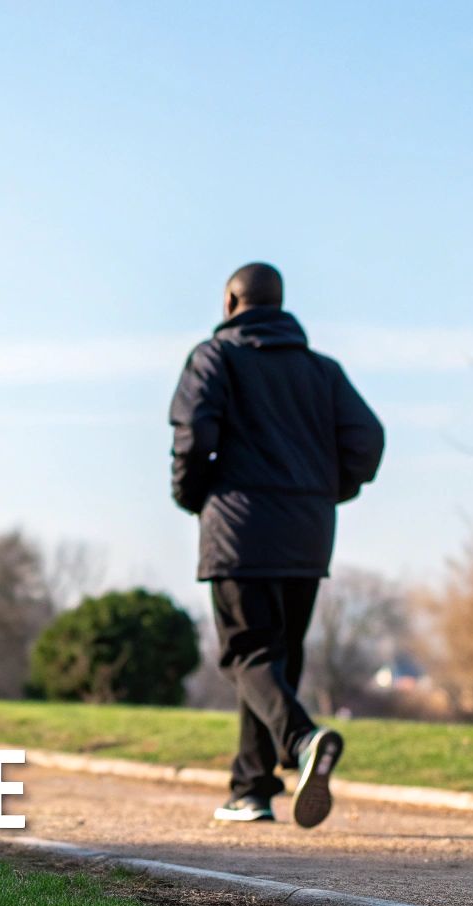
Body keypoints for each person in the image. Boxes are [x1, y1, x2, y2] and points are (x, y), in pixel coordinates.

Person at [168, 262, 384, 828]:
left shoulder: (214, 357)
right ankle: (251, 788)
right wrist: (325, 490)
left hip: (239, 528)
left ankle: (303, 741)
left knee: (246, 655)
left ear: (231, 302)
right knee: (271, 664)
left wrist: (193, 495)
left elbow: (193, 432)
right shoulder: (323, 372)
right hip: (307, 533)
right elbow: (368, 439)